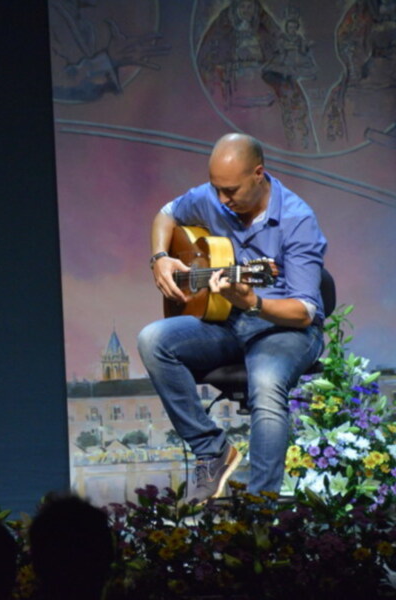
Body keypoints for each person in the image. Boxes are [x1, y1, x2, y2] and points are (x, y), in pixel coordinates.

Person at [137, 133, 326, 503]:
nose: (222, 200)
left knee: (266, 383)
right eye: (216, 189)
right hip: (227, 320)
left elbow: (304, 312)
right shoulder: (213, 197)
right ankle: (211, 450)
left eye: (231, 191)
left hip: (284, 327)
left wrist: (253, 301)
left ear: (258, 173)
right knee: (153, 340)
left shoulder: (298, 220)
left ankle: (260, 505)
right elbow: (167, 213)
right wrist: (160, 257)